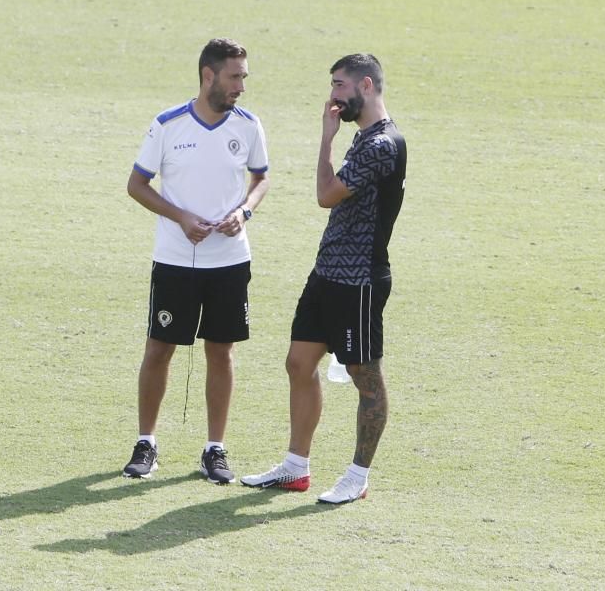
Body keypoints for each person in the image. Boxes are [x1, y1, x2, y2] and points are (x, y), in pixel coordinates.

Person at [241, 54, 406, 504]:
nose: (333, 95)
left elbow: (325, 195)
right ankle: (296, 468)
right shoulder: (366, 138)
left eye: (339, 85)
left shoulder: (381, 145)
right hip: (328, 273)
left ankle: (357, 476)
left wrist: (325, 140)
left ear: (366, 86)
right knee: (298, 364)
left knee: (364, 376)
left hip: (359, 281)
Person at [121, 38, 270, 484]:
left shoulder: (248, 125)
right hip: (174, 260)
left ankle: (214, 449)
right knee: (160, 348)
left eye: (243, 76)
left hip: (229, 261)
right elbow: (137, 184)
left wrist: (244, 212)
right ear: (209, 75)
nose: (241, 85)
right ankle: (146, 442)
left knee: (220, 351)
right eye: (235, 76)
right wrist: (181, 217)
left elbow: (261, 178)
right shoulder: (167, 125)